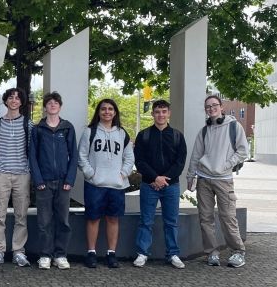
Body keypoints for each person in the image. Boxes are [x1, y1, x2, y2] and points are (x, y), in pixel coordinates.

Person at [187, 94, 249, 267]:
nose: (211, 108)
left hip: (224, 180)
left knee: (228, 217)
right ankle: (211, 252)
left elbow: (243, 152)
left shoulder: (234, 126)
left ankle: (238, 251)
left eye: (214, 105)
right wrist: (190, 176)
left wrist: (226, 165)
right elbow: (196, 155)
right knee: (205, 218)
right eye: (208, 106)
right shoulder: (204, 131)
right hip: (204, 179)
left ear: (221, 107)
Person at [78, 98, 134, 268]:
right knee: (93, 219)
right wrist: (91, 174)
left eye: (110, 109)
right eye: (103, 109)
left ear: (115, 112)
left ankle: (111, 253)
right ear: (99, 112)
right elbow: (82, 156)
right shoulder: (90, 132)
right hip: (95, 185)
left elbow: (129, 157)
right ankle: (91, 253)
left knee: (113, 219)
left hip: (116, 185)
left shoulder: (122, 133)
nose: (107, 112)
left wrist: (123, 174)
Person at [133, 100, 187, 269]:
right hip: (149, 185)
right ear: (153, 114)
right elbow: (139, 161)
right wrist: (155, 178)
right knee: (146, 221)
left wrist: (164, 179)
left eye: (164, 111)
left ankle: (173, 253)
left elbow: (180, 162)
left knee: (171, 222)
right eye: (157, 112)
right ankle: (142, 253)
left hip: (171, 186)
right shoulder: (144, 135)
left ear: (169, 113)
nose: (161, 115)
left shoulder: (178, 136)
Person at [29, 92, 78, 270]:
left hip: (63, 182)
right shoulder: (38, 129)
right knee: (44, 221)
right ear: (45, 107)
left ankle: (60, 254)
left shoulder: (67, 128)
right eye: (49, 103)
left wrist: (70, 179)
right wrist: (38, 180)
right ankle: (45, 255)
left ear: (60, 106)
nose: (52, 105)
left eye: (55, 102)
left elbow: (74, 156)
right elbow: (32, 157)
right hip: (44, 183)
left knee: (63, 221)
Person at [0, 87, 33, 267]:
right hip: (2, 175)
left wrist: (28, 170)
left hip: (22, 175)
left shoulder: (27, 124)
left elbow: (31, 150)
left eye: (17, 98)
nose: (14, 101)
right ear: (6, 101)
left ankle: (18, 252)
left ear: (21, 102)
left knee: (21, 215)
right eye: (11, 98)